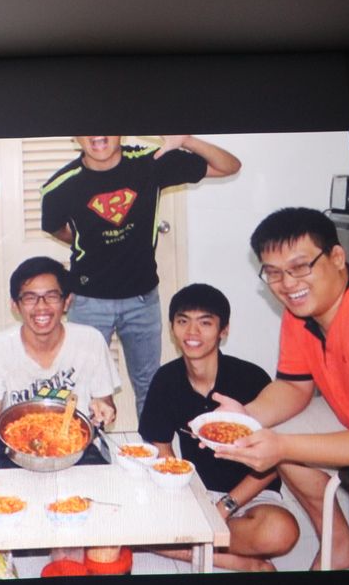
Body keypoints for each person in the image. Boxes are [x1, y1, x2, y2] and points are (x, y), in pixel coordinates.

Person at [211, 207, 349, 570]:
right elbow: (293, 386)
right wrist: (246, 416)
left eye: (300, 267)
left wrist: (284, 447)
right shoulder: (300, 312)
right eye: (273, 272)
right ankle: (338, 543)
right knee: (275, 431)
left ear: (337, 257)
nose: (288, 284)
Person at [41, 135, 241, 416]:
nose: (97, 135)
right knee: (81, 388)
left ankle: (154, 444)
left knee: (149, 385)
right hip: (88, 301)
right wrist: (87, 241)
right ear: (74, 136)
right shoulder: (60, 186)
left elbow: (229, 166)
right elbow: (55, 227)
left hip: (142, 299)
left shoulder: (150, 163)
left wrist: (186, 139)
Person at [138, 283, 299, 571]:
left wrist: (225, 507)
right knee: (132, 523)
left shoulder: (250, 378)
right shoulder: (166, 379)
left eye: (205, 323)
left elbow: (273, 460)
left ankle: (190, 541)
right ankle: (243, 563)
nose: (192, 332)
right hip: (196, 490)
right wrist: (180, 494)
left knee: (279, 532)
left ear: (223, 330)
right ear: (172, 328)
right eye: (183, 321)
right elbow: (161, 446)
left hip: (251, 495)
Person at [0, 256, 119, 451]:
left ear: (67, 302)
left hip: (78, 446)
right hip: (17, 448)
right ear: (15, 305)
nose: (41, 307)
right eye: (30, 298)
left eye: (52, 296)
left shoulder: (90, 340)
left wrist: (104, 409)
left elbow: (106, 404)